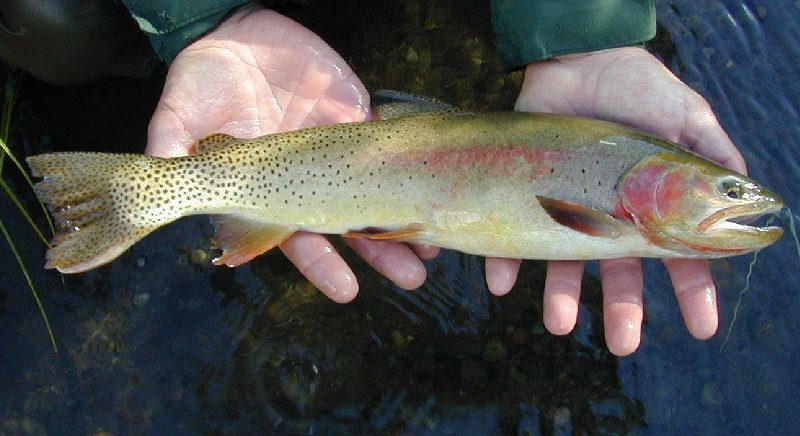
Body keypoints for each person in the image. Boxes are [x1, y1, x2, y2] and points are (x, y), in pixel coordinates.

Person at [1, 1, 747, 356]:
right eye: (730, 191)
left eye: (730, 193)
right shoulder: (614, 194)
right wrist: (202, 18)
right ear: (662, 180)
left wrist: (583, 30)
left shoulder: (619, 177)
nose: (738, 201)